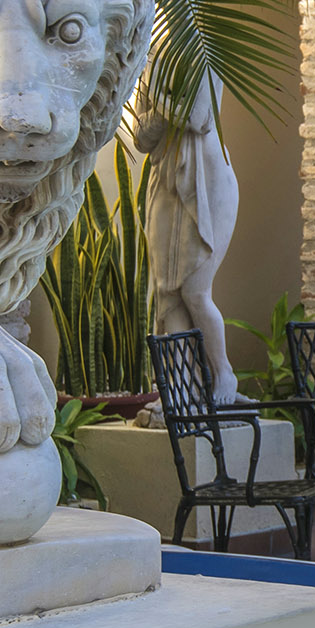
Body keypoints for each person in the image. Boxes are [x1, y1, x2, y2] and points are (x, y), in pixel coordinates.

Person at [134, 66, 239, 403]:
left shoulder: (202, 50)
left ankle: (224, 373)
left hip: (207, 179)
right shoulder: (151, 60)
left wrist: (158, 100)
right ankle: (182, 391)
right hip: (165, 178)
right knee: (168, 292)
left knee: (195, 290)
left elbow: (198, 119)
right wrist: (163, 106)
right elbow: (141, 136)